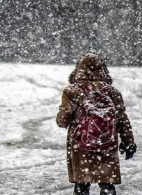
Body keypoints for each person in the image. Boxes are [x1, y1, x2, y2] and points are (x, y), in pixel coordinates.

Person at [56, 54, 137, 195]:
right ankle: (107, 190)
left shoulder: (72, 91)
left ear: (78, 69)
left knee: (82, 183)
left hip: (80, 141)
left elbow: (64, 118)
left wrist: (62, 120)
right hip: (107, 141)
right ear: (103, 69)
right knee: (107, 183)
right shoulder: (112, 92)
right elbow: (122, 119)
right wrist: (128, 141)